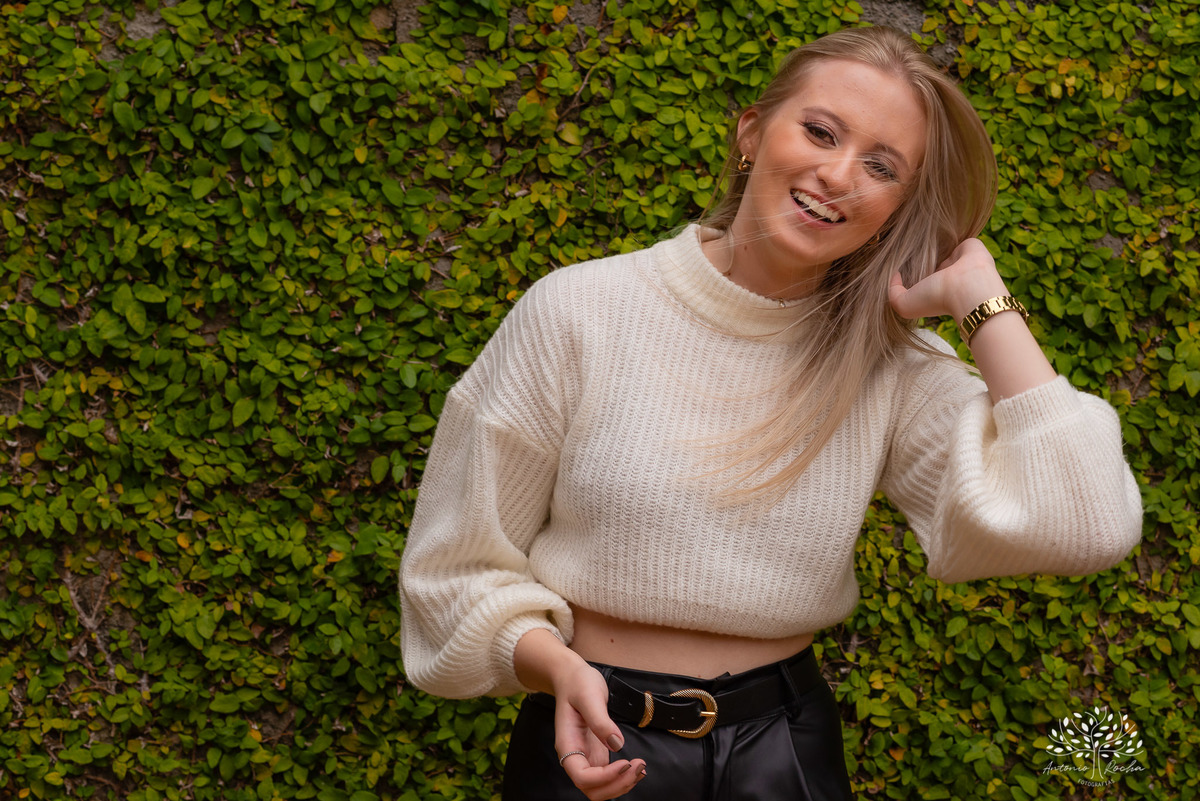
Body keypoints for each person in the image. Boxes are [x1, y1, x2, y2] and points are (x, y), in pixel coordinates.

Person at [398, 25, 1143, 801]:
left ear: (897, 207)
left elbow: (1085, 521)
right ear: (751, 133)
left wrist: (981, 298)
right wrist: (552, 663)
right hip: (593, 737)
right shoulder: (580, 311)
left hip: (786, 754)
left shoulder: (889, 364)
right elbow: (453, 569)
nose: (839, 174)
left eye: (882, 167)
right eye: (821, 131)